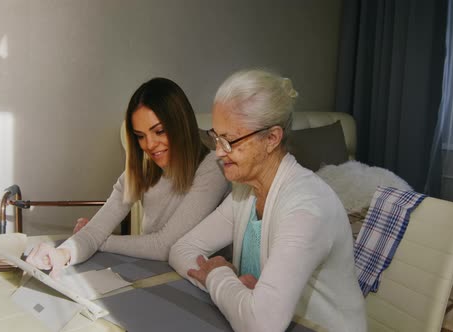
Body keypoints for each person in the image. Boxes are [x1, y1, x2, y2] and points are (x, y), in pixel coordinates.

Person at [169, 69, 366, 332]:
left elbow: (261, 324)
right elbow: (181, 250)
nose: (218, 152)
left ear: (272, 138)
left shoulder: (305, 208)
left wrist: (219, 275)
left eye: (229, 141)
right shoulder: (245, 192)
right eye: (215, 137)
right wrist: (239, 295)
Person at [27, 77, 229, 278]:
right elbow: (95, 230)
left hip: (200, 283)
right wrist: (62, 254)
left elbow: (165, 246)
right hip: (156, 274)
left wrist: (103, 240)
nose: (150, 144)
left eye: (159, 131)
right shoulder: (141, 171)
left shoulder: (213, 168)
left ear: (181, 125)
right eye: (140, 136)